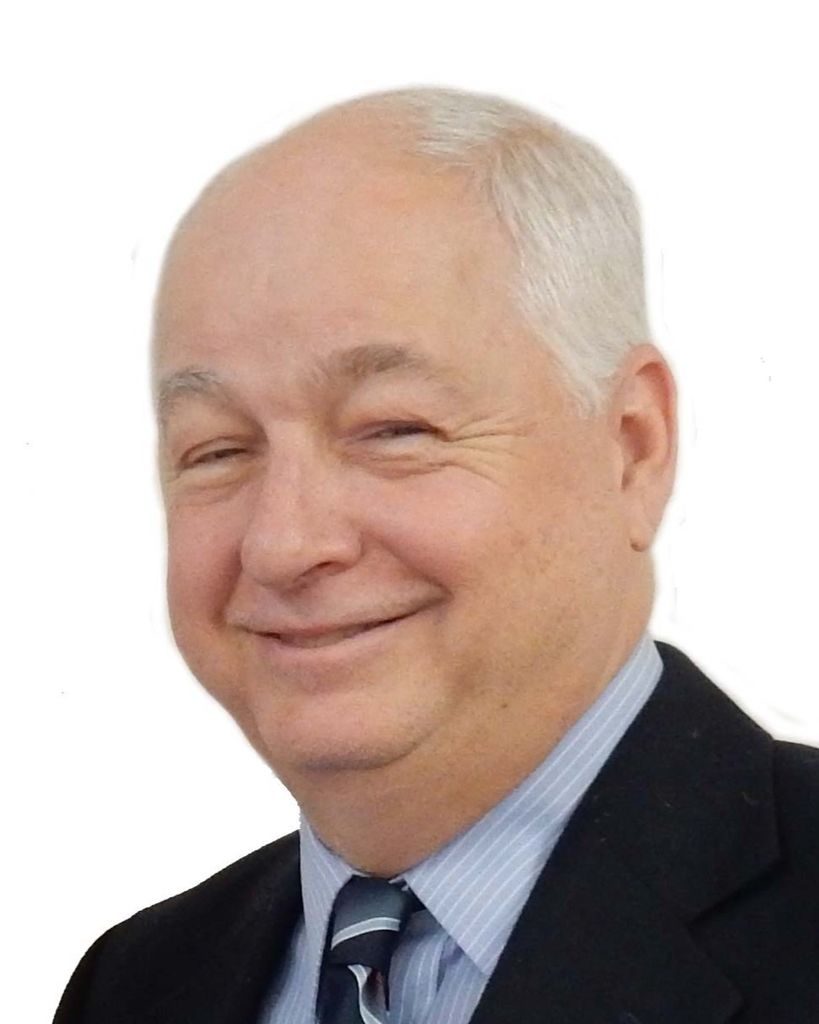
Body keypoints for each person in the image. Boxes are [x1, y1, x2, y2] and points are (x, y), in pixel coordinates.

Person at [54, 87, 819, 1023]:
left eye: (394, 430)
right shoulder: (133, 985)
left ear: (631, 446)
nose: (284, 543)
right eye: (216, 450)